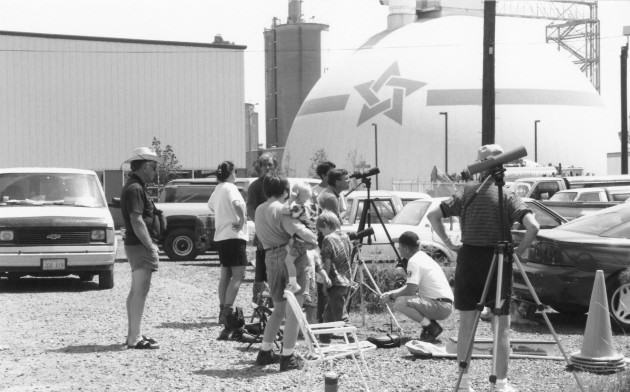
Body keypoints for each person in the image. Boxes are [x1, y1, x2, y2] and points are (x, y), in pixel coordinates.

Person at [427, 144, 540, 392]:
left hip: (469, 259)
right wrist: (518, 252)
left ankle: (464, 381)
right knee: (501, 326)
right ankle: (500, 383)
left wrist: (448, 242)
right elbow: (533, 227)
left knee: (467, 322)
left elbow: (434, 214)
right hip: (498, 259)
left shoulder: (467, 193)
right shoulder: (509, 195)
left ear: (480, 166)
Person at [254, 175, 318, 371]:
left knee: (279, 308)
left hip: (269, 258)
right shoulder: (282, 209)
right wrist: (314, 237)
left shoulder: (259, 209)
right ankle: (287, 356)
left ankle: (265, 351)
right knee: (295, 310)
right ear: (285, 191)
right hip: (289, 256)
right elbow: (297, 230)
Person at [121, 147, 162, 350]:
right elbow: (137, 219)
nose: (155, 172)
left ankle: (133, 333)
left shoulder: (134, 187)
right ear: (145, 166)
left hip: (135, 245)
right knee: (140, 290)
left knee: (136, 290)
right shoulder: (135, 189)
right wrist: (150, 245)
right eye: (154, 167)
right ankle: (134, 337)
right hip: (139, 246)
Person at [380, 231, 453, 342]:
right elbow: (411, 289)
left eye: (400, 246)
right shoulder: (422, 257)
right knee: (405, 298)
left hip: (440, 306)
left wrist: (391, 295)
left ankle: (431, 327)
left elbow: (410, 290)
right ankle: (429, 327)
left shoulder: (414, 261)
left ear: (406, 249)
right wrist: (392, 293)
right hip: (443, 304)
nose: (398, 249)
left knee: (400, 301)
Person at [208, 161, 248, 340]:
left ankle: (222, 309)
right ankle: (228, 310)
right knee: (238, 275)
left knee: (225, 274)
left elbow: (210, 206)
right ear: (231, 173)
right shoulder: (231, 187)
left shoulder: (218, 189)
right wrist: (241, 220)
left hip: (221, 235)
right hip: (235, 235)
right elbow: (238, 203)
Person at [247, 153, 278, 303]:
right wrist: (261, 224)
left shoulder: (280, 184)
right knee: (261, 269)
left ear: (275, 166)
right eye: (264, 164)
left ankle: (277, 300)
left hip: (279, 234)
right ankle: (258, 301)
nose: (267, 168)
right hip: (263, 234)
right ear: (259, 167)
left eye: (270, 164)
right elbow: (250, 208)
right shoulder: (255, 186)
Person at [316, 210, 351, 343]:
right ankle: (324, 342)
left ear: (326, 225)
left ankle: (354, 344)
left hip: (334, 282)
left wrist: (325, 282)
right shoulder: (345, 236)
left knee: (341, 316)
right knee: (328, 315)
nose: (321, 233)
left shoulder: (328, 239)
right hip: (346, 280)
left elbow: (327, 262)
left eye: (321, 230)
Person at [282, 182, 317, 294]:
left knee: (288, 261)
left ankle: (293, 283)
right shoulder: (311, 207)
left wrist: (291, 198)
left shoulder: (298, 208)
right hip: (307, 239)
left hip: (300, 241)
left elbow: (283, 210)